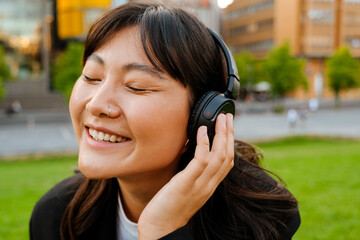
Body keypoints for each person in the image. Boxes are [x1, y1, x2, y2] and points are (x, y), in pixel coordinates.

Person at [30, 1, 300, 240]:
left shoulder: (260, 221)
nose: (96, 104)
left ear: (205, 116)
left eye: (136, 86)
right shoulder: (54, 215)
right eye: (91, 77)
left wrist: (163, 230)